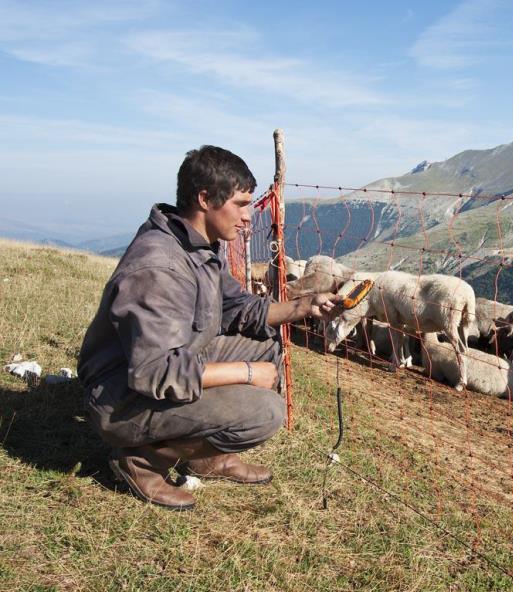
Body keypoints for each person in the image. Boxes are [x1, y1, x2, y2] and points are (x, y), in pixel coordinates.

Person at [78, 145, 342, 511]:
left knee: (268, 348)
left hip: (174, 360)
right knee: (264, 411)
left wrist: (304, 306)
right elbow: (156, 373)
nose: (249, 216)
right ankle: (141, 461)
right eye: (240, 204)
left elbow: (237, 308)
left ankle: (206, 457)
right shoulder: (161, 267)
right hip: (122, 397)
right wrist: (246, 373)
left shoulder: (199, 247)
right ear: (205, 199)